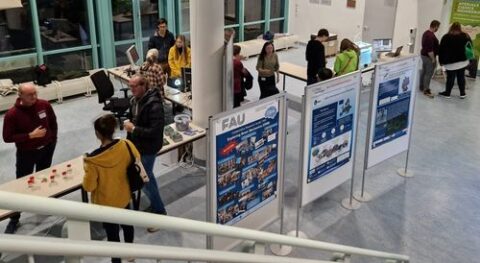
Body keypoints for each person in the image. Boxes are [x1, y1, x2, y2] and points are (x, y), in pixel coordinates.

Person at [2, 83, 57, 234]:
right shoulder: (12, 114)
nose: (34, 97)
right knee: (21, 185)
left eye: (35, 93)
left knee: (43, 178)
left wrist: (52, 141)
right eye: (30, 94)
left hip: (46, 150)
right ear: (20, 96)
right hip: (26, 154)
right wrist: (30, 136)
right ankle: (15, 218)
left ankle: (42, 203)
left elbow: (53, 123)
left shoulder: (44, 105)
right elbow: (7, 137)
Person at [83, 114, 137, 263]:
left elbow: (89, 186)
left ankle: (116, 260)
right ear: (113, 129)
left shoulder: (92, 160)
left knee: (112, 235)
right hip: (124, 194)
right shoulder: (126, 145)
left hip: (106, 203)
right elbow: (136, 159)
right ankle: (130, 253)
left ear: (98, 134)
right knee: (127, 225)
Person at [123, 75, 167, 229]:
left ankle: (160, 213)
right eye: (130, 86)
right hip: (138, 145)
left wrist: (133, 129)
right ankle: (156, 206)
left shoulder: (154, 105)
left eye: (134, 86)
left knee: (144, 181)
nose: (132, 89)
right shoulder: (134, 101)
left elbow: (154, 131)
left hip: (149, 147)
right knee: (148, 177)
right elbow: (133, 120)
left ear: (144, 86)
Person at [438, 22, 471, 99]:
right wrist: (470, 59)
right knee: (461, 77)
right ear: (460, 27)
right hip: (462, 61)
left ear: (451, 27)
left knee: (450, 78)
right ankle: (462, 93)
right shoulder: (465, 36)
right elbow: (469, 48)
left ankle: (447, 93)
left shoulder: (446, 37)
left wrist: (441, 61)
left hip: (450, 63)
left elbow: (441, 50)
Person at [140, 48, 173, 124]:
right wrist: (165, 77)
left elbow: (141, 75)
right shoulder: (157, 68)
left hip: (147, 96)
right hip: (158, 96)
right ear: (156, 57)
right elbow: (162, 83)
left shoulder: (144, 66)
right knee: (168, 108)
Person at [420, 20, 440, 98]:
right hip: (428, 57)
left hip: (424, 55)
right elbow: (430, 50)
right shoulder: (430, 36)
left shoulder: (426, 33)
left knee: (424, 72)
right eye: (438, 27)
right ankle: (426, 90)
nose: (437, 29)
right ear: (435, 26)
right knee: (428, 73)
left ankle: (422, 87)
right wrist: (433, 59)